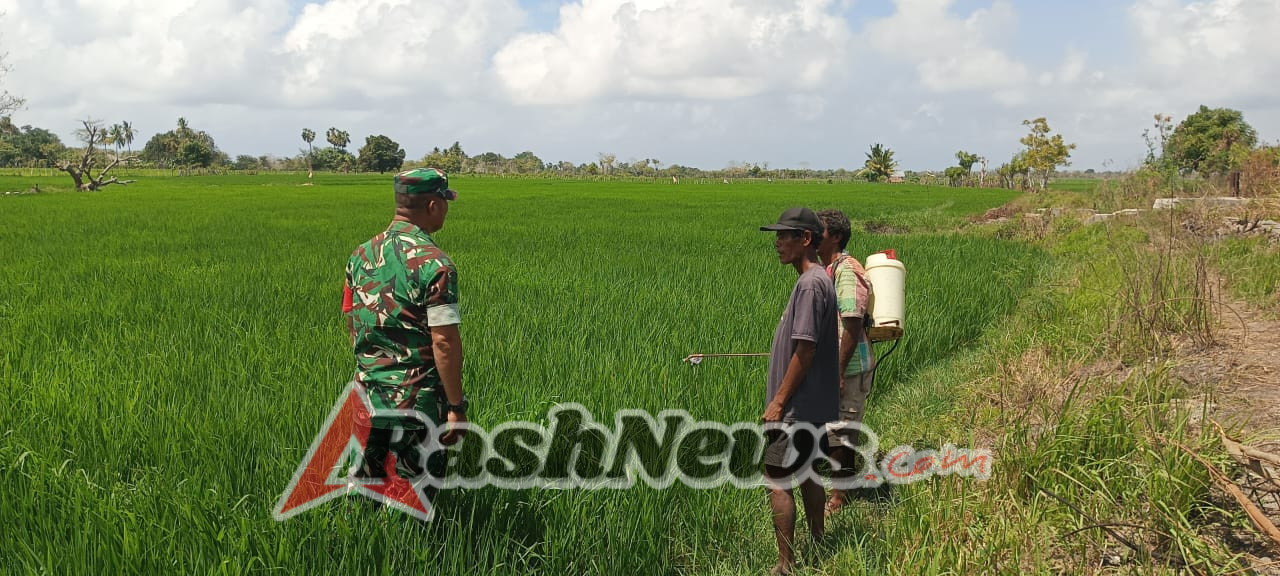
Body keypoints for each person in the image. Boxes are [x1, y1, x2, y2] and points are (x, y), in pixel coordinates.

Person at [342, 167, 468, 492]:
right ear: (433, 205)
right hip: (417, 403)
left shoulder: (359, 255)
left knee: (365, 489)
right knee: (413, 497)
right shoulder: (436, 265)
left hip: (367, 394)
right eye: (446, 201)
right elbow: (444, 342)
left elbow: (352, 322)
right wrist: (456, 407)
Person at [758, 206, 840, 576]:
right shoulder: (819, 279)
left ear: (805, 239)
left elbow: (805, 350)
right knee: (808, 471)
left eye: (783, 236)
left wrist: (779, 402)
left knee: (777, 480)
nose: (777, 243)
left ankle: (785, 565)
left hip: (795, 407)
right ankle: (819, 544)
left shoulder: (809, 284)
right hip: (812, 404)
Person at [815, 209, 876, 517]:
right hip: (837, 364)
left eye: (820, 231)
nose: (813, 236)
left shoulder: (847, 271)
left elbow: (851, 324)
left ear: (836, 237)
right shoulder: (829, 269)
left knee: (842, 430)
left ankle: (839, 497)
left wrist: (837, 371)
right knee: (835, 428)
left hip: (850, 367)